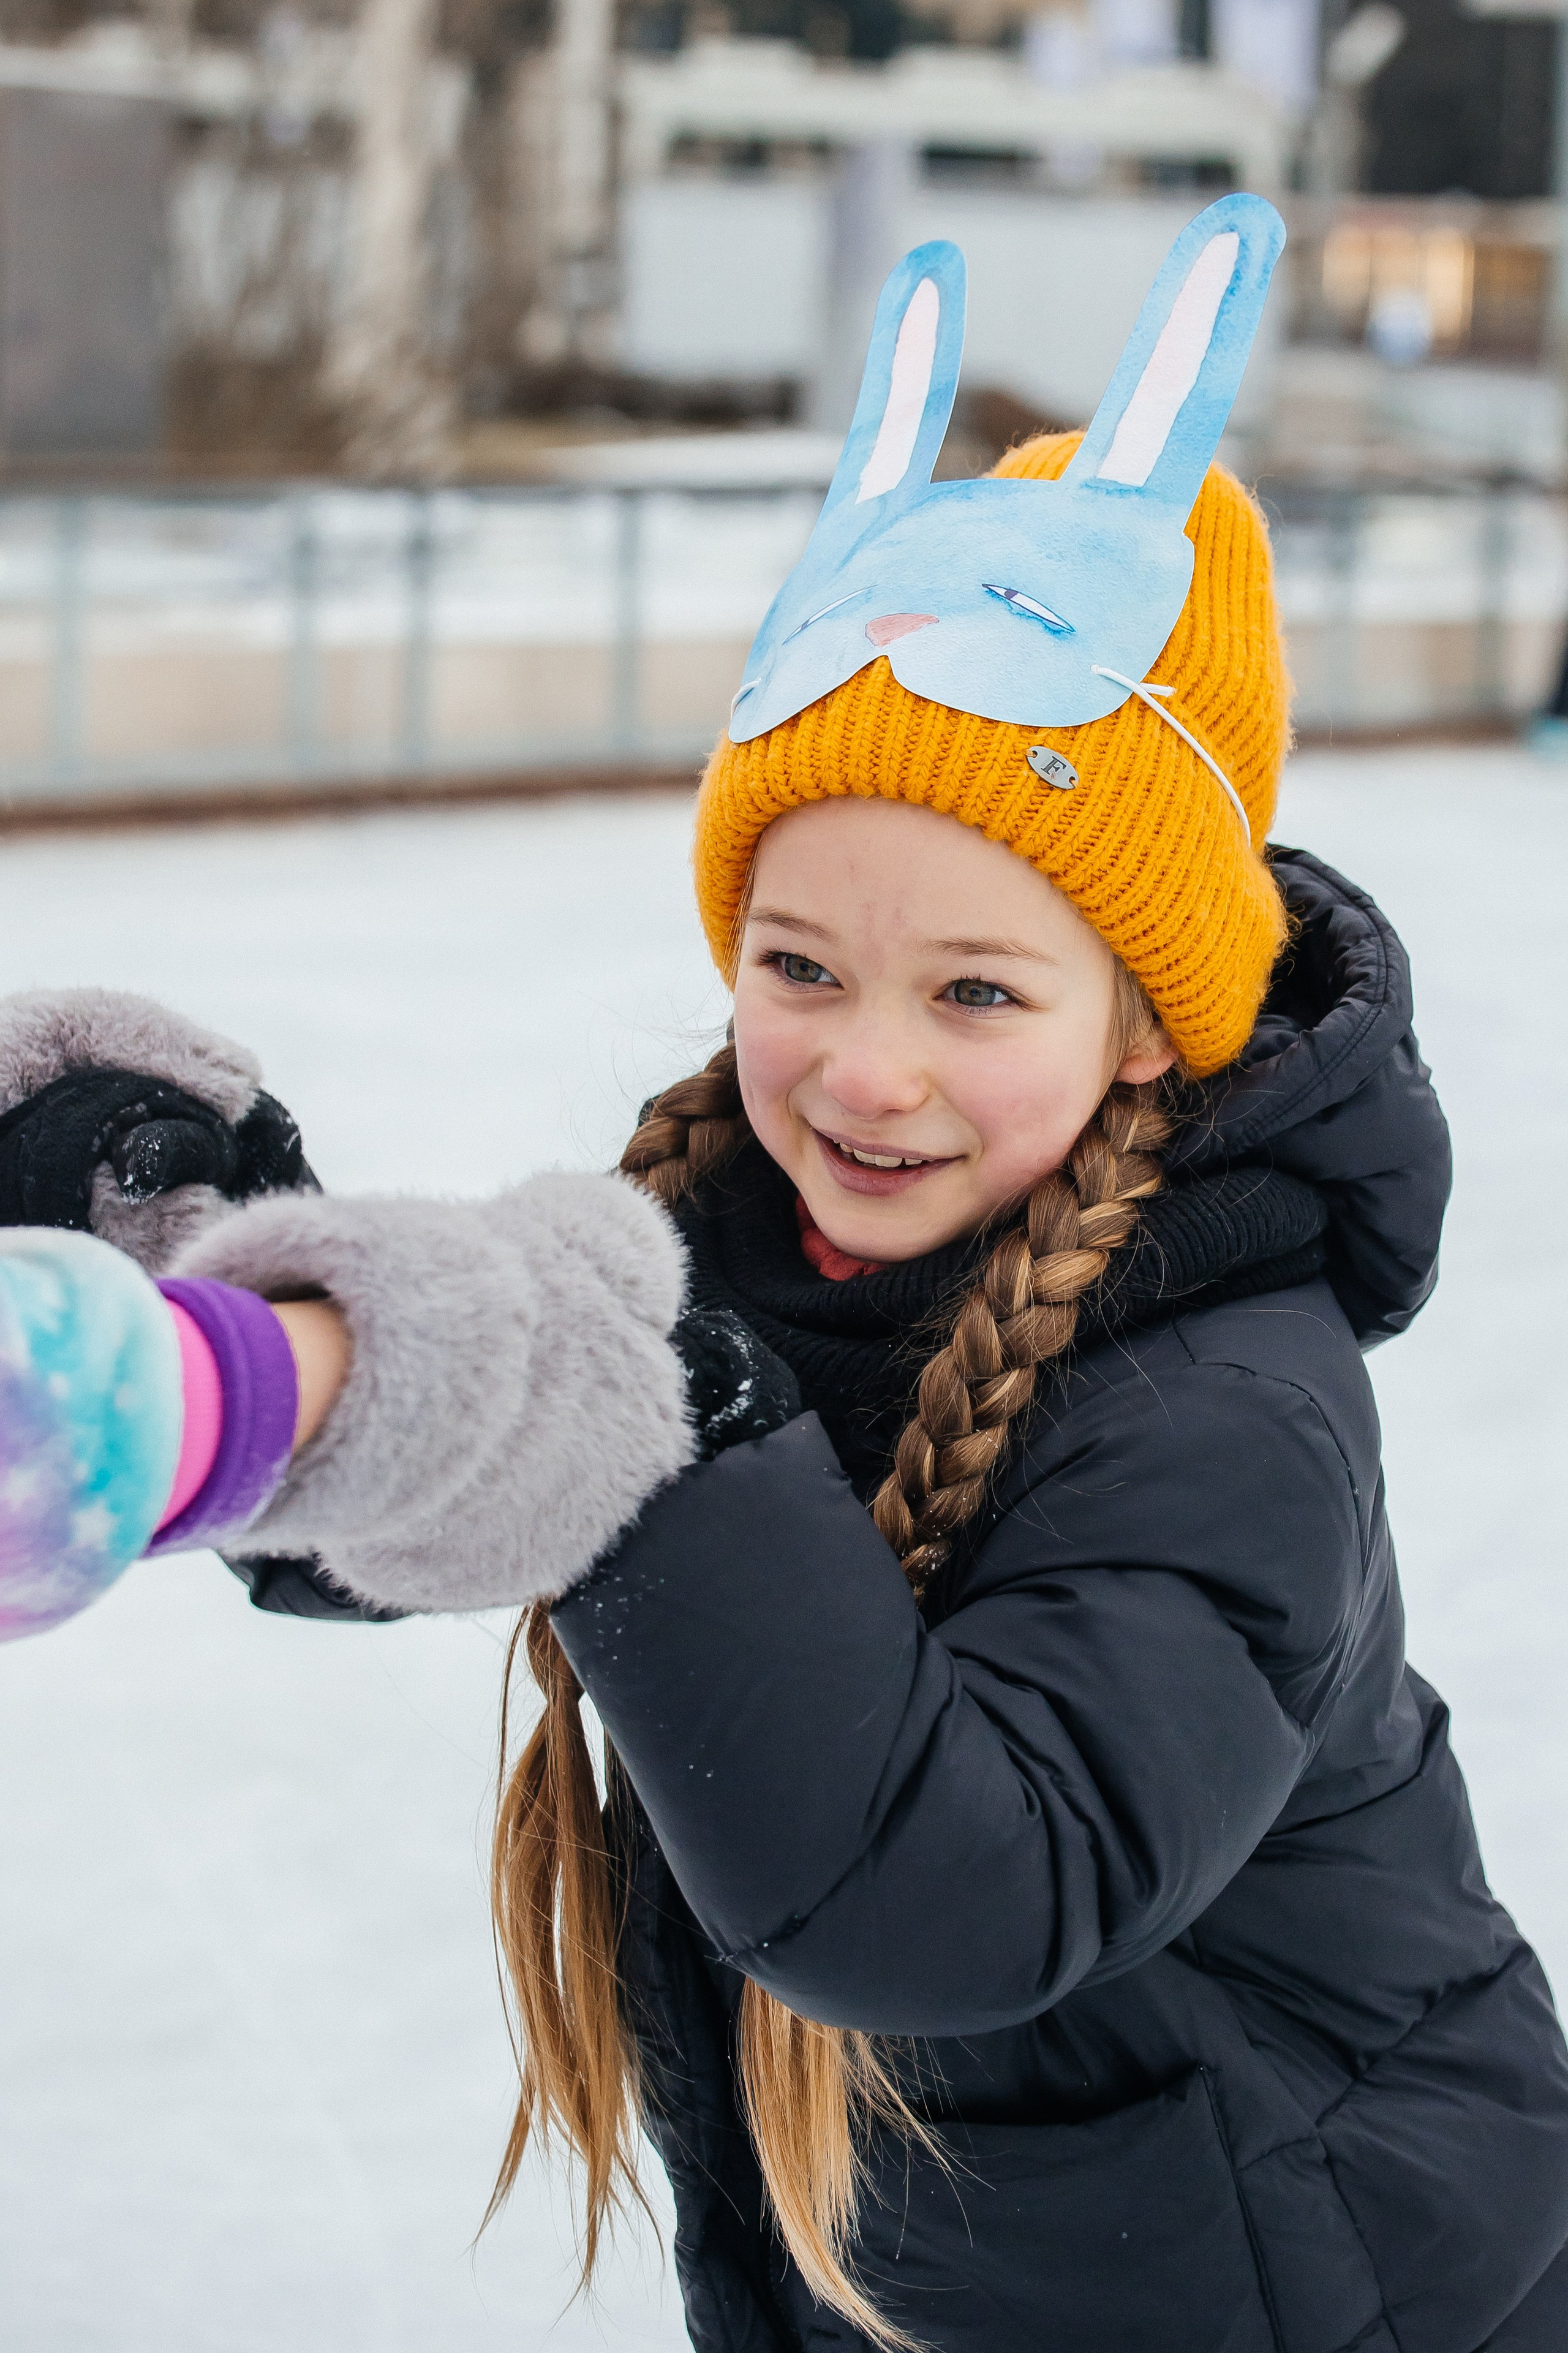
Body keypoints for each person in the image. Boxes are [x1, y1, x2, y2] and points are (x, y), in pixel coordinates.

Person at [4, 201, 1568, 2350]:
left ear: (1148, 1027)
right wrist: (215, 1272)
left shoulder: (1235, 1411)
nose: (865, 1062)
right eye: (799, 962)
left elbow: (956, 1879)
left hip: (1343, 2288)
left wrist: (627, 1431)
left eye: (980, 991)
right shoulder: (772, 1234)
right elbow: (539, 1477)